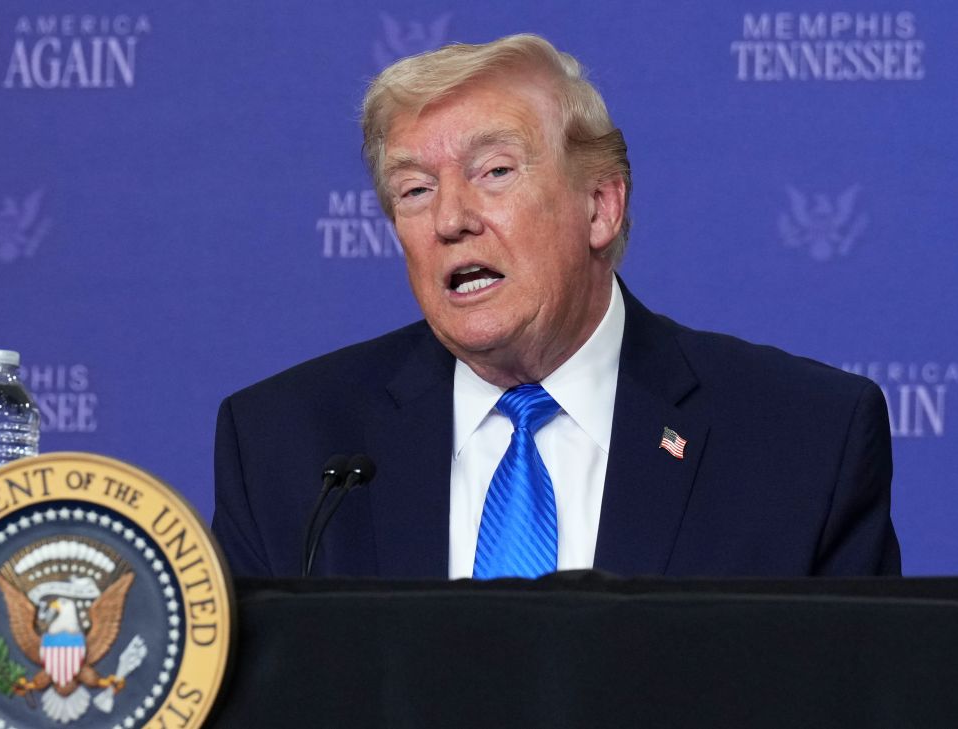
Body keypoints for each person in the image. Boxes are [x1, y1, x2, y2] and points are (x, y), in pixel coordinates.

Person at [212, 34, 900, 579]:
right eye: (414, 189)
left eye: (495, 172)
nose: (450, 218)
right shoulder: (289, 445)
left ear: (600, 206)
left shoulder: (801, 441)